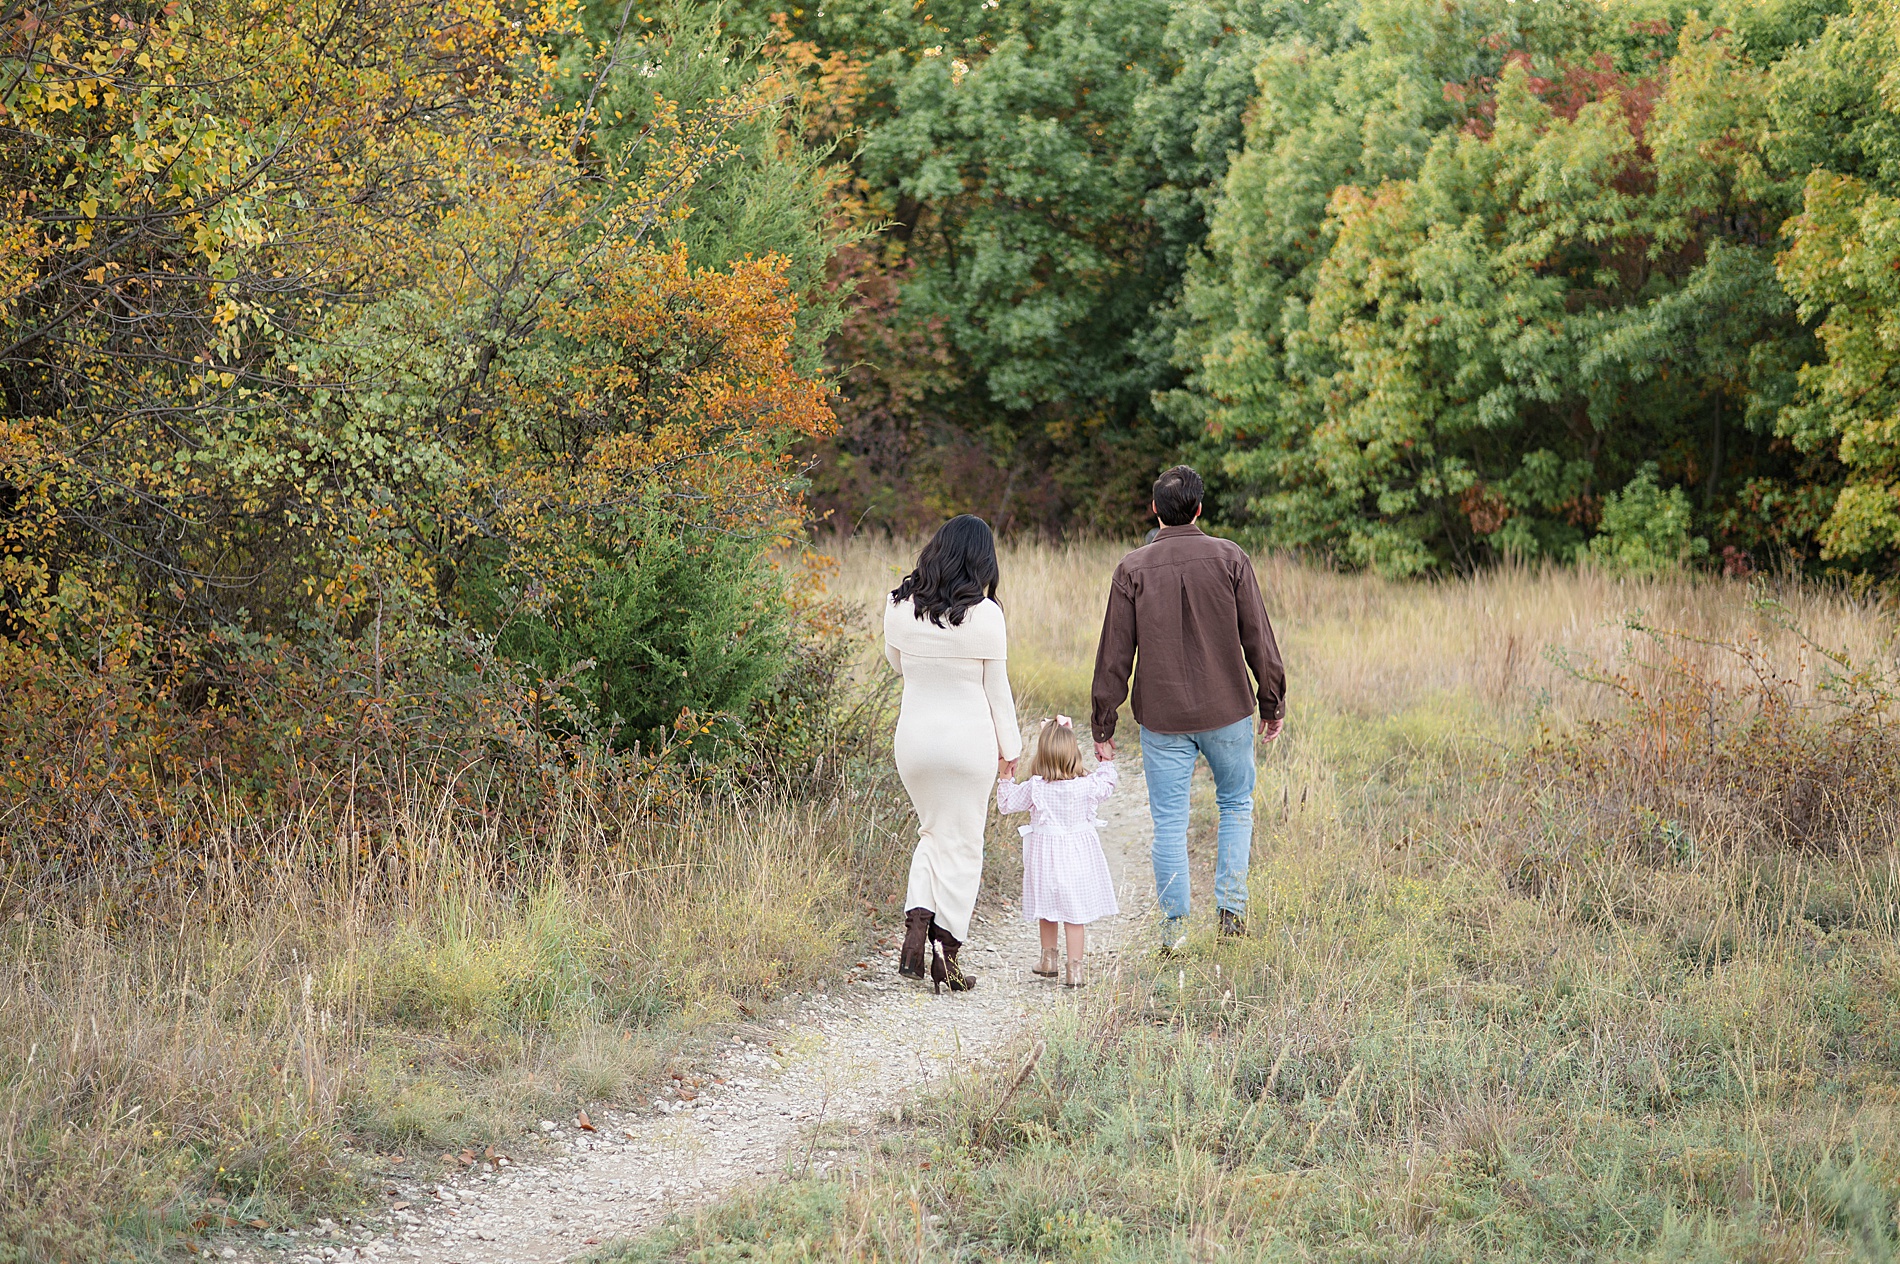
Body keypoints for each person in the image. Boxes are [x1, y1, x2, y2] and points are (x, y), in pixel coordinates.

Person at [1090, 465, 1286, 952]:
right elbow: (1257, 636)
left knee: (1170, 823)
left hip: (1162, 718)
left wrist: (1103, 720)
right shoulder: (1230, 558)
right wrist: (1272, 700)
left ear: (1155, 510)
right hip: (1229, 711)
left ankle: (1174, 933)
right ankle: (1232, 915)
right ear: (1199, 509)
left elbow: (1115, 653)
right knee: (1237, 805)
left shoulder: (1131, 569)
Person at [884, 515, 1022, 993]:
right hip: (967, 747)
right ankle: (948, 951)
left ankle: (917, 926)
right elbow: (997, 691)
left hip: (916, 743)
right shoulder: (986, 615)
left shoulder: (898, 607)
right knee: (963, 846)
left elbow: (898, 666)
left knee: (932, 832)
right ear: (982, 559)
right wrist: (1012, 749)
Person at [995, 716, 1118, 989]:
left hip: (1045, 862)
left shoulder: (1036, 787)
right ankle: (1074, 970)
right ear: (1075, 754)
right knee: (1075, 916)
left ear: (1042, 756)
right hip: (1078, 861)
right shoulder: (1087, 785)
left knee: (1047, 908)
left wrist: (1005, 775)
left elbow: (1005, 804)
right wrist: (1106, 760)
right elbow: (1108, 783)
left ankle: (1048, 959)